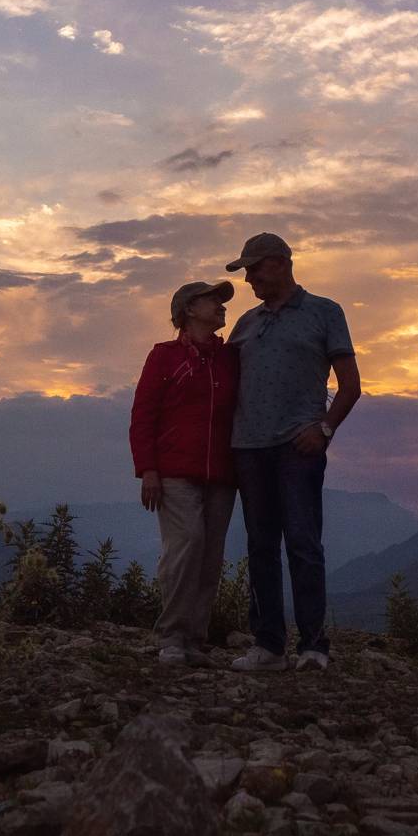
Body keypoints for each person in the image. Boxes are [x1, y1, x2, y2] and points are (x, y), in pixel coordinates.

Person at [224, 233, 360, 672]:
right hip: (248, 448)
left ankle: (313, 647)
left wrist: (324, 429)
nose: (249, 279)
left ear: (281, 263)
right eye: (246, 271)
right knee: (261, 546)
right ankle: (268, 647)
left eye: (254, 268)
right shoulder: (245, 323)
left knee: (303, 544)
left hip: (298, 449)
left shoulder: (325, 311)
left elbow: (351, 385)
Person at [129, 281, 240, 666]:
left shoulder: (230, 358)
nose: (222, 306)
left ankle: (194, 639)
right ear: (189, 309)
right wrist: (148, 469)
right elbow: (143, 415)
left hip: (222, 473)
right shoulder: (164, 357)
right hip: (175, 471)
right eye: (213, 300)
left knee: (210, 555)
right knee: (187, 544)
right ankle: (172, 636)